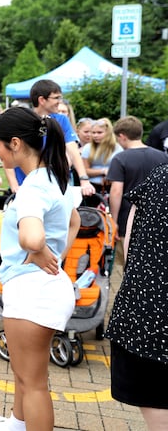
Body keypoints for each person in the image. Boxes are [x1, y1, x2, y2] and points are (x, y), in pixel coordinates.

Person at [0, 106, 80, 431]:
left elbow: (30, 235)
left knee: (34, 381)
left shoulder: (33, 188)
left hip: (32, 293)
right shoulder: (54, 176)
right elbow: (75, 220)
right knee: (24, 373)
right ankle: (15, 424)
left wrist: (37, 249)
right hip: (42, 288)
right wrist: (53, 253)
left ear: (14, 143)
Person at [105, 164, 168, 431]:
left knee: (157, 405)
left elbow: (130, 248)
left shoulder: (160, 176)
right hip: (150, 315)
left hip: (148, 314)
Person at [3, 79, 95, 197]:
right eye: (56, 98)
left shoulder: (61, 120)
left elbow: (73, 150)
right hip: (26, 187)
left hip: (54, 188)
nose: (60, 102)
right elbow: (8, 154)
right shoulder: (22, 121)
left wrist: (84, 179)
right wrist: (14, 185)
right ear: (42, 100)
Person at [106, 116, 168, 242]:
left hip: (128, 220)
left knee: (122, 260)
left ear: (122, 136)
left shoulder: (120, 159)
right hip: (158, 219)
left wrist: (113, 221)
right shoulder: (162, 157)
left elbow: (116, 192)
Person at [80, 118, 122, 194]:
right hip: (92, 187)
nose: (95, 135)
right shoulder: (88, 148)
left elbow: (120, 171)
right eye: (93, 132)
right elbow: (84, 170)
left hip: (111, 186)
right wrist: (103, 171)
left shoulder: (118, 148)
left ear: (108, 133)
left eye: (99, 132)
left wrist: (109, 176)